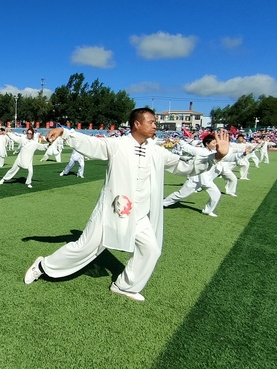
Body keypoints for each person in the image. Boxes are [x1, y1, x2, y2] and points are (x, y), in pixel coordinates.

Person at [23, 108, 230, 302]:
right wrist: (65, 133)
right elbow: (92, 144)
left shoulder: (157, 152)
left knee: (151, 250)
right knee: (84, 248)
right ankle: (43, 265)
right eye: (151, 122)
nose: (155, 125)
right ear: (137, 124)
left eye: (155, 122)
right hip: (111, 211)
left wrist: (216, 157)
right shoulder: (118, 145)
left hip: (139, 215)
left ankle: (125, 286)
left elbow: (183, 166)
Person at [162, 134, 240, 217]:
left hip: (207, 181)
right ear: (207, 143)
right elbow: (188, 147)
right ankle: (163, 203)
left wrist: (243, 154)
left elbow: (228, 158)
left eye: (216, 143)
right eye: (213, 143)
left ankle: (207, 211)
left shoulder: (215, 153)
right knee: (181, 194)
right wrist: (180, 141)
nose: (215, 145)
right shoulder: (200, 151)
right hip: (195, 179)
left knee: (216, 194)